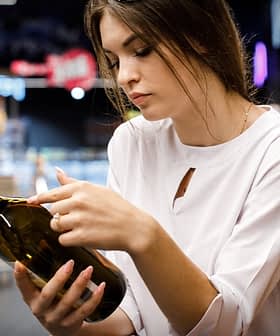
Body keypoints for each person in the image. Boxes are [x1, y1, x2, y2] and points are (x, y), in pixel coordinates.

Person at [14, 1, 280, 335]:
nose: (124, 76)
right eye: (114, 60)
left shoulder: (271, 151)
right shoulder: (132, 142)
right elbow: (130, 315)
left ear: (202, 35)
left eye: (141, 50)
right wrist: (71, 326)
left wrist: (142, 234)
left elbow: (228, 324)